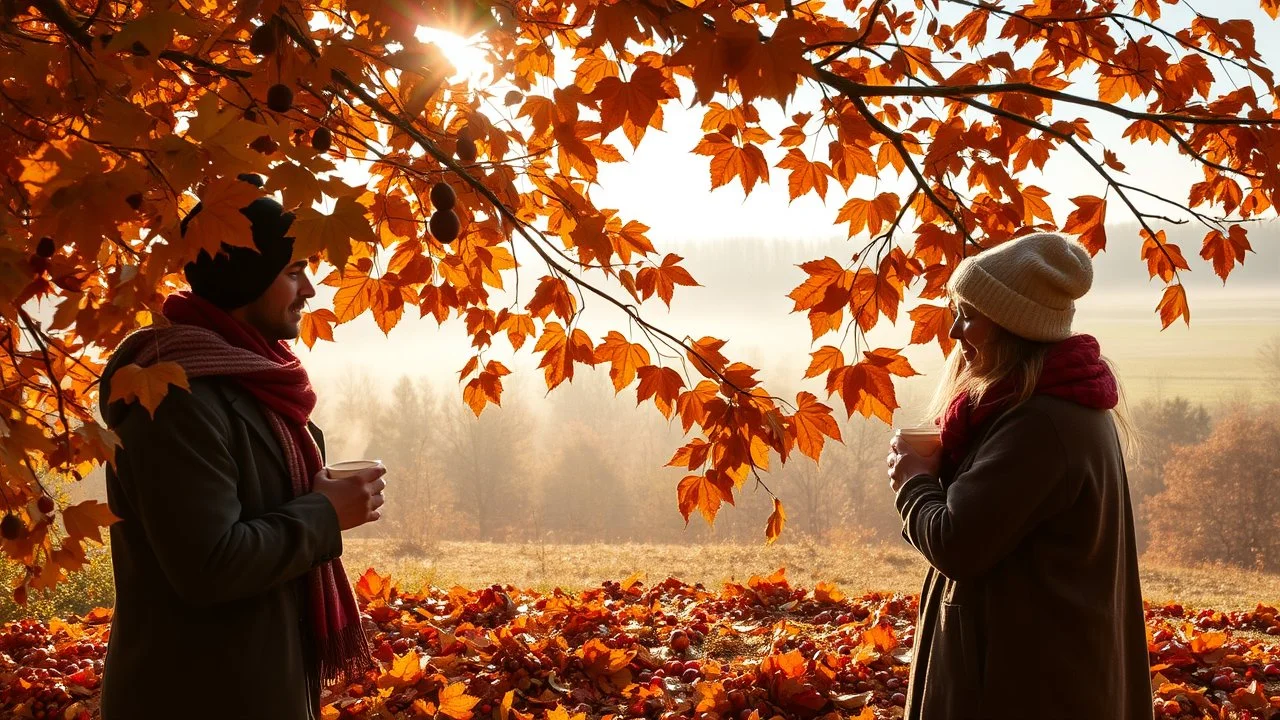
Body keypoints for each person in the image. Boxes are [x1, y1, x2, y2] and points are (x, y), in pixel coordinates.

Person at [98, 175, 385, 720]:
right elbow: (209, 565)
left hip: (252, 684)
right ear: (246, 278)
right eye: (294, 272)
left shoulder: (251, 381)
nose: (310, 290)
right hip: (195, 693)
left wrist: (320, 498)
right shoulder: (175, 399)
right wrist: (324, 513)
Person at [886, 232, 1152, 719]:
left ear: (1010, 325)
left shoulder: (1040, 423)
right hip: (1034, 669)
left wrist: (913, 482)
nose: (954, 332)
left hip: (1023, 682)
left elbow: (958, 542)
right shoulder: (1041, 409)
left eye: (968, 315)